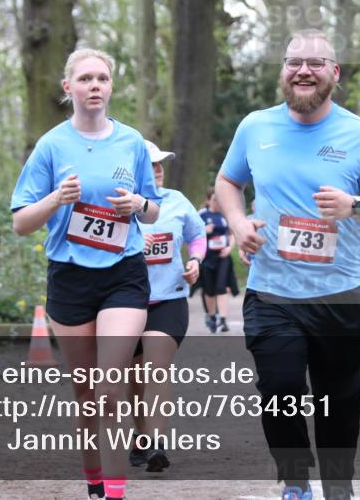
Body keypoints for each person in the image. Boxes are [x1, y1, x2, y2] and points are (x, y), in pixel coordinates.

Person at [216, 29, 360, 500]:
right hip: (272, 291)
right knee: (278, 387)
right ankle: (296, 482)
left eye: (315, 63)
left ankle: (338, 486)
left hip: (339, 294)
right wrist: (238, 223)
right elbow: (227, 182)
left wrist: (354, 206)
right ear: (283, 71)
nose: (303, 70)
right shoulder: (255, 127)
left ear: (333, 74)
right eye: (294, 61)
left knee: (339, 400)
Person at [11, 48, 160, 500]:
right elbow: (20, 222)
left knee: (110, 384)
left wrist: (137, 205)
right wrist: (56, 199)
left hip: (123, 275)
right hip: (70, 278)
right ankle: (95, 480)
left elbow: (153, 211)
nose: (95, 86)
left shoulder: (132, 142)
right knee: (87, 395)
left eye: (102, 79)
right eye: (85, 79)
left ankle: (115, 493)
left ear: (111, 87)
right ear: (68, 87)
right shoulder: (52, 145)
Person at [127, 140, 206, 472]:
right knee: (135, 380)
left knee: (156, 369)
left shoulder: (176, 201)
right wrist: (130, 244)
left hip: (169, 300)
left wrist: (196, 260)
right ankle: (142, 437)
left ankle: (157, 444)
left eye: (160, 164)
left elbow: (197, 235)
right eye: (151, 164)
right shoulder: (118, 204)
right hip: (126, 302)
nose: (158, 169)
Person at [197, 188, 238, 333]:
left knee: (221, 287)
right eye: (215, 199)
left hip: (223, 256)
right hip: (207, 257)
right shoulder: (202, 214)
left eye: (219, 199)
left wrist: (229, 248)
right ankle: (212, 316)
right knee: (209, 290)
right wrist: (204, 230)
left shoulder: (224, 214)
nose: (217, 203)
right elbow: (192, 233)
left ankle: (223, 320)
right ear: (208, 200)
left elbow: (232, 234)